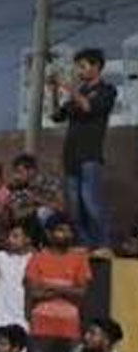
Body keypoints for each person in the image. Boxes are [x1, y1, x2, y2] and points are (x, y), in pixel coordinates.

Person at [51, 48, 116, 253]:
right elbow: (56, 116)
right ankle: (85, 243)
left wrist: (72, 89)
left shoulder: (107, 90)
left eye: (83, 66)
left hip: (90, 154)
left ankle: (103, 243)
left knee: (91, 201)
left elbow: (89, 108)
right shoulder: (78, 94)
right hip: (71, 155)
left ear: (96, 66)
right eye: (77, 66)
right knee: (76, 206)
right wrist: (53, 91)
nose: (78, 70)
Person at [24, 213, 90, 352]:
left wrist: (50, 288)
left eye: (69, 231)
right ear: (49, 234)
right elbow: (33, 293)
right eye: (61, 230)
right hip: (41, 324)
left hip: (70, 325)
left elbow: (82, 293)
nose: (66, 235)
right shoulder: (37, 258)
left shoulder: (79, 259)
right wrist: (67, 289)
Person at [0, 222, 32, 348]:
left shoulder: (32, 259)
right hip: (0, 312)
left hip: (21, 313)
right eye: (9, 236)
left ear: (27, 239)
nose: (10, 240)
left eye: (15, 236)